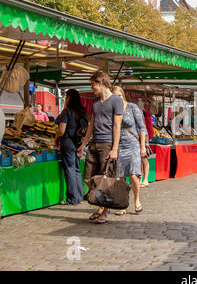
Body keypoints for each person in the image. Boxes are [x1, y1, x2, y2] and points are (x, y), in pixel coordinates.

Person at [77, 71, 123, 224]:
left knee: (105, 179)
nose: (92, 88)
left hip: (107, 144)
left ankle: (103, 210)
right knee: (88, 178)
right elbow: (91, 124)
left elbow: (117, 126)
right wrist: (84, 143)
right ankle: (101, 204)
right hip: (94, 143)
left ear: (101, 83)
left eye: (93, 85)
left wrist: (115, 148)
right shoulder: (96, 102)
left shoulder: (116, 101)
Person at [112, 86, 147, 216]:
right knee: (121, 177)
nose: (118, 99)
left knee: (133, 175)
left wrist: (142, 146)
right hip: (119, 146)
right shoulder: (113, 110)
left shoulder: (132, 107)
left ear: (123, 95)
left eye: (119, 96)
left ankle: (137, 200)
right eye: (115, 97)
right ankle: (123, 204)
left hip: (133, 145)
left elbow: (142, 127)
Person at [55, 89, 89, 205]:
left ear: (69, 97)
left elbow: (61, 130)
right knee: (76, 169)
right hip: (78, 143)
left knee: (69, 169)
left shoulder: (67, 111)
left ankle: (72, 198)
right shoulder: (83, 111)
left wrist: (56, 138)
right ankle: (79, 196)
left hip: (68, 143)